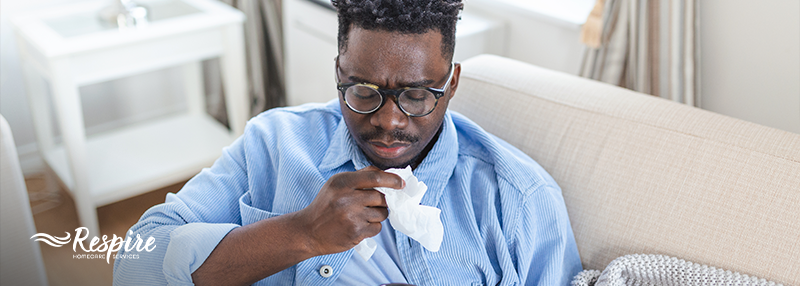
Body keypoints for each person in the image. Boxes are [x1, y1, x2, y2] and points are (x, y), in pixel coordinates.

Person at [112, 0, 582, 285]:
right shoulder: (274, 144)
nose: (389, 121)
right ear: (339, 72)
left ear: (452, 82)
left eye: (417, 95)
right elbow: (136, 263)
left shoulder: (519, 200)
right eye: (363, 91)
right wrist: (299, 234)